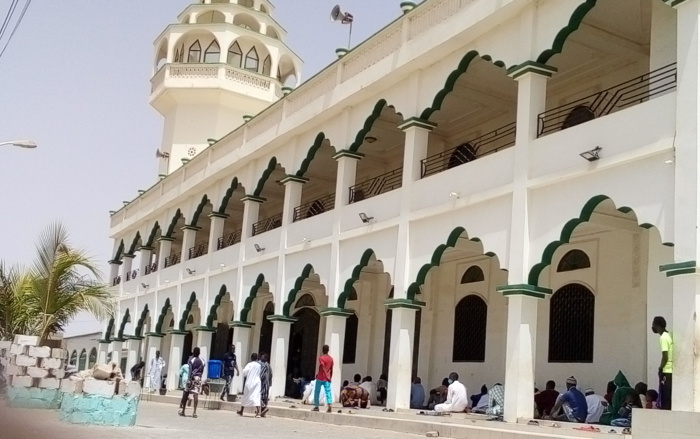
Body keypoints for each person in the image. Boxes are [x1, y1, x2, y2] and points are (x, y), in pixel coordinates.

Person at [651, 316, 673, 410]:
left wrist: (660, 368)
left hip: (667, 370)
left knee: (665, 397)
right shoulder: (670, 334)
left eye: (653, 324)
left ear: (657, 325)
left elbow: (665, 356)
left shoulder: (663, 338)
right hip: (672, 370)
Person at [179, 347, 204, 418]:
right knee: (196, 395)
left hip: (191, 378)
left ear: (193, 352)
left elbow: (190, 369)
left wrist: (189, 378)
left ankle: (183, 411)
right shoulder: (202, 360)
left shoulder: (191, 360)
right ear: (199, 353)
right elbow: (202, 370)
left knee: (186, 393)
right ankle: (194, 412)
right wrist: (200, 377)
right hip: (198, 378)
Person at [238, 353, 262, 417]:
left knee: (246, 396)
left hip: (249, 382)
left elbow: (244, 372)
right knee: (256, 396)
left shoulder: (249, 364)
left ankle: (241, 411)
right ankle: (258, 413)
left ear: (251, 358)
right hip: (257, 382)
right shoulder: (259, 365)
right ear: (257, 358)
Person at [312, 345, 333, 413]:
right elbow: (331, 369)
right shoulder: (331, 359)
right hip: (327, 378)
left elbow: (322, 366)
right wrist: (329, 377)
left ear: (323, 350)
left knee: (317, 391)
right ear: (328, 350)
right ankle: (329, 404)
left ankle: (316, 406)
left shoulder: (321, 358)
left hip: (321, 377)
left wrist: (322, 374)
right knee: (328, 391)